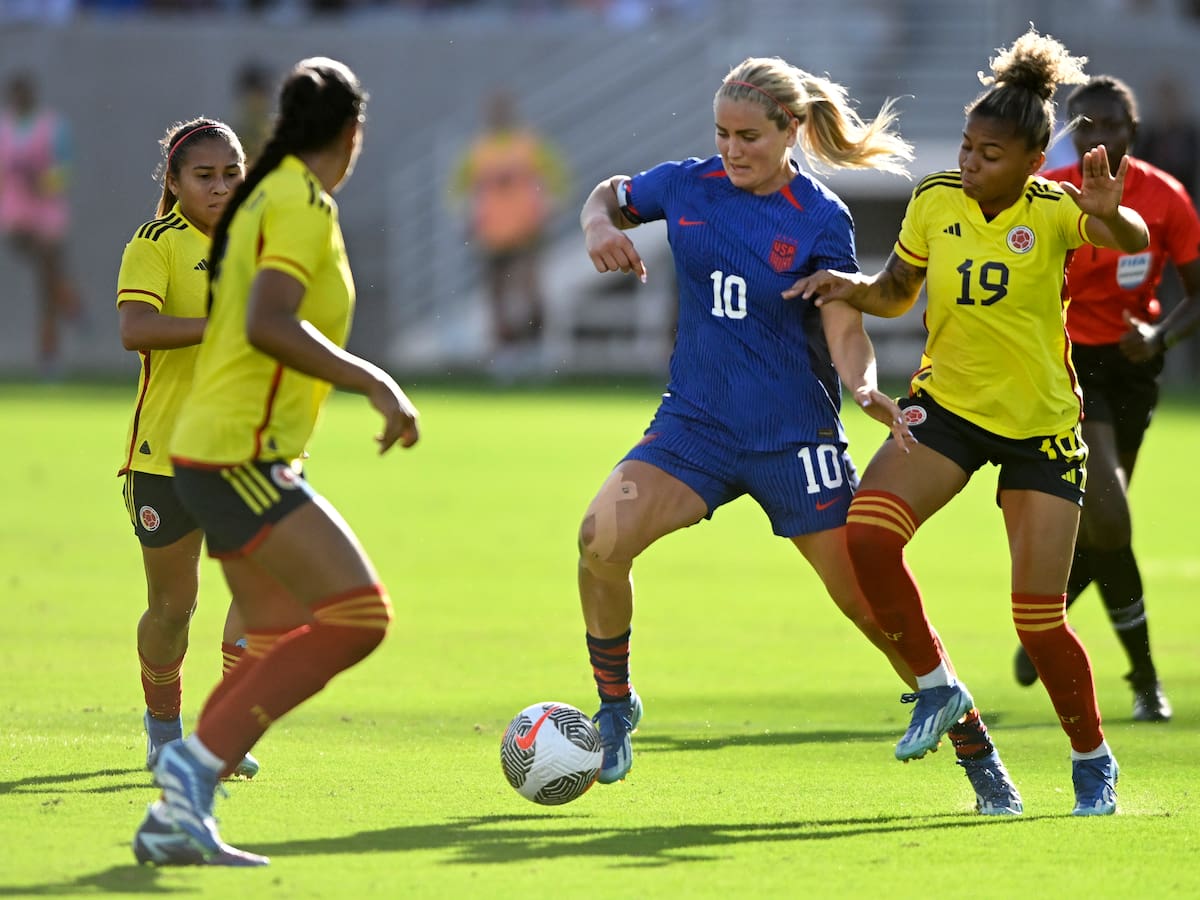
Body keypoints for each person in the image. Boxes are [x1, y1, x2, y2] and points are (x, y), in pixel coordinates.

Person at [578, 56, 1023, 817]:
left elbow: (845, 326)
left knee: (868, 607)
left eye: (748, 135)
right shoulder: (685, 184)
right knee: (599, 539)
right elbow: (608, 195)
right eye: (721, 133)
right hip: (696, 426)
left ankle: (974, 747)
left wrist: (864, 387)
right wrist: (595, 224)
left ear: (791, 130)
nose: (731, 148)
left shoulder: (820, 216)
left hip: (796, 438)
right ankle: (615, 711)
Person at [787, 28, 1150, 816]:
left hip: (1042, 430)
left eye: (989, 152)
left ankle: (1091, 756)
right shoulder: (935, 199)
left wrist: (1112, 216)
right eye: (966, 144)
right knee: (869, 536)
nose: (971, 160)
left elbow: (1134, 240)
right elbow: (895, 293)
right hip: (947, 408)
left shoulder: (1056, 211)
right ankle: (936, 690)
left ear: (1030, 161)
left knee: (1039, 619)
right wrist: (844, 285)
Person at [132, 57, 420, 867]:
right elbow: (267, 319)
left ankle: (174, 818)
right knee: (359, 616)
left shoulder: (261, 193)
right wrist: (376, 381)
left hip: (215, 448)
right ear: (351, 134)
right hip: (237, 455)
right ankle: (191, 767)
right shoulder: (295, 201)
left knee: (268, 634)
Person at [1012, 75, 1200, 721]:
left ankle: (1047, 619)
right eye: (1084, 123)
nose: (1097, 134)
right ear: (1070, 132)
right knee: (1113, 520)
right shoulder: (1051, 196)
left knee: (1102, 528)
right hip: (1067, 367)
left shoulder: (1164, 197)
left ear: (1132, 131)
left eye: (1110, 123)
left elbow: (1195, 291)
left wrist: (1160, 333)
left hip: (1131, 366)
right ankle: (1145, 683)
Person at [117, 117, 267, 782]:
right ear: (173, 183)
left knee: (261, 587)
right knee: (174, 608)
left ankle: (224, 733)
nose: (220, 187)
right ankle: (162, 730)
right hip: (165, 457)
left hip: (242, 449)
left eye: (231, 174)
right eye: (204, 176)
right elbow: (135, 329)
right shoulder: (155, 244)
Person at [449, 88, 568, 367]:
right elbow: (459, 189)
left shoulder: (529, 145)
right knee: (496, 294)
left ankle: (536, 348)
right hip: (492, 232)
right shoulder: (479, 149)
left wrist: (549, 209)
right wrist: (464, 217)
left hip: (526, 229)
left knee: (530, 289)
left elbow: (557, 179)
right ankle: (505, 352)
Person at [0, 71, 81, 379]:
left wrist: (43, 181)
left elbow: (65, 170)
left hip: (47, 213)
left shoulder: (53, 126)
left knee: (45, 286)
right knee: (48, 272)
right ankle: (69, 299)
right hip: (16, 216)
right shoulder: (5, 128)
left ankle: (49, 354)